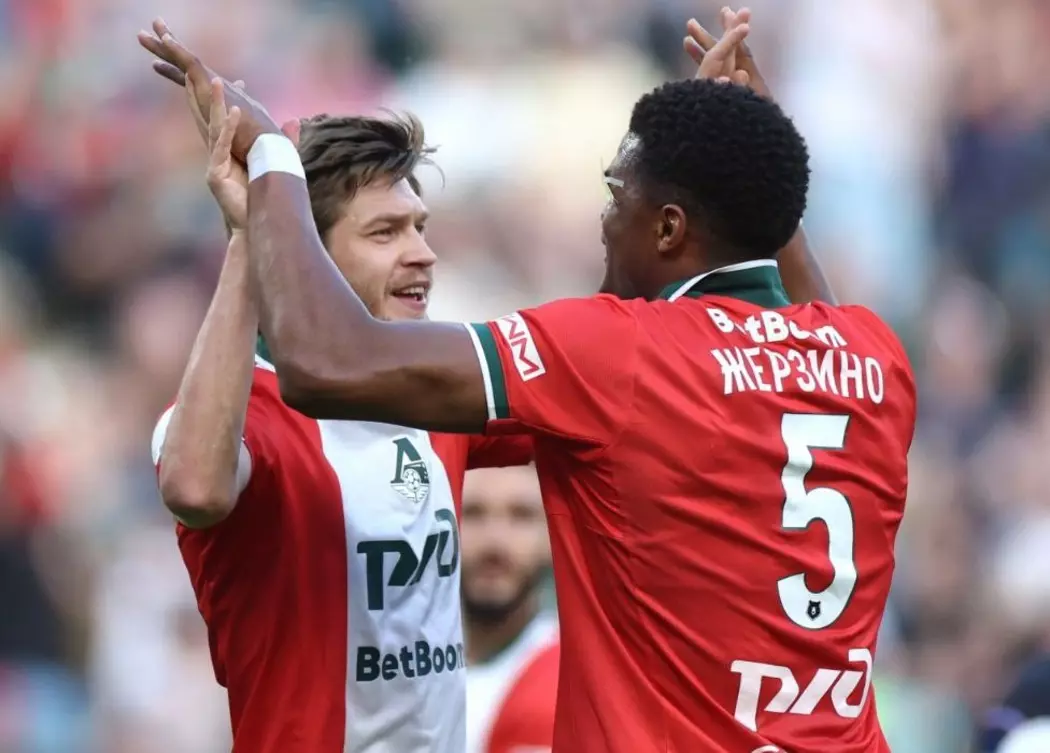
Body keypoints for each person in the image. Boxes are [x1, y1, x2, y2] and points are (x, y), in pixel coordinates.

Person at [140, 8, 914, 753]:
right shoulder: (871, 355)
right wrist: (747, 165)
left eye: (617, 197)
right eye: (385, 231)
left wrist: (271, 168)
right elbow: (200, 481)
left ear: (670, 226)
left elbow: (328, 359)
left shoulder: (620, 355)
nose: (603, 222)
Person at [147, 77, 530, 752]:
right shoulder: (239, 412)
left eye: (419, 227)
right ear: (308, 254)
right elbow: (196, 489)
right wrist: (253, 239)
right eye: (385, 232)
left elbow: (607, 391)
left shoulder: (430, 389)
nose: (422, 253)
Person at [460, 466, 558, 753]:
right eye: (472, 513)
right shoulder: (386, 670)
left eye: (521, 516)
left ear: (553, 536)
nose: (495, 542)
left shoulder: (577, 685)